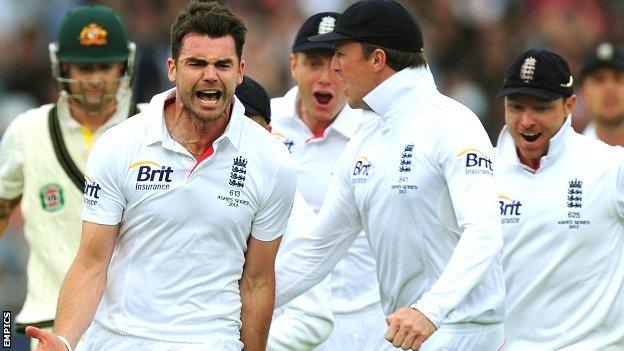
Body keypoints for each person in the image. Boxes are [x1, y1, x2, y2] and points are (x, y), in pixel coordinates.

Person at [25, 2, 296, 350]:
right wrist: (63, 338)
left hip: (211, 341)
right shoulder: (120, 145)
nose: (210, 75)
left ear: (240, 71)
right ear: (172, 68)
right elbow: (92, 262)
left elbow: (258, 282)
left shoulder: (272, 161)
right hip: (120, 340)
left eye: (222, 64)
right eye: (196, 63)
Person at [275, 1, 506, 350]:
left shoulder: (452, 123)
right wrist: (233, 308)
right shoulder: (364, 140)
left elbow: (485, 232)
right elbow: (316, 249)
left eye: (339, 54)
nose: (334, 69)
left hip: (463, 328)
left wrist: (431, 309)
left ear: (377, 59)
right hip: (406, 331)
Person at [0, 4, 138, 350]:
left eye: (105, 66)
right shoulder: (27, 131)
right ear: (62, 65)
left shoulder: (153, 127)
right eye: (84, 67)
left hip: (133, 324)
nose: (94, 78)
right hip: (49, 321)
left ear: (124, 65)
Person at [270, 11, 388, 350]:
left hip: (361, 323)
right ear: (294, 65)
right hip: (284, 319)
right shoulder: (261, 124)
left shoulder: (374, 135)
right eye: (314, 64)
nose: (326, 78)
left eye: (337, 66)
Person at [496, 49, 624, 349]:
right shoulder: (482, 175)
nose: (526, 121)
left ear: (569, 105)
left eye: (540, 108)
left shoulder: (610, 166)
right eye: (516, 107)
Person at [235, 76, 335, 351]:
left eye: (248, 129)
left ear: (269, 133)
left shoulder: (287, 202)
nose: (236, 142)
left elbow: (312, 318)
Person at [578, 42, 624, 146]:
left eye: (618, 78)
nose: (609, 88)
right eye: (599, 79)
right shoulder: (571, 159)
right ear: (584, 93)